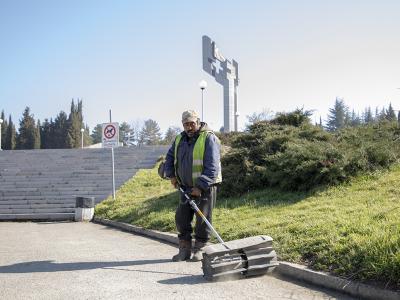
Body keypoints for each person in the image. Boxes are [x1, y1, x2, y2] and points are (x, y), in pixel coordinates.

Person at [164, 110, 222, 262]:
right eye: (186, 124)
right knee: (181, 219)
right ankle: (184, 249)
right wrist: (172, 176)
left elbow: (213, 166)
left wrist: (200, 186)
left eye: (192, 124)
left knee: (202, 219)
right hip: (185, 187)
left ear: (198, 122)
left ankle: (200, 249)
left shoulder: (209, 138)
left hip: (205, 187)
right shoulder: (179, 139)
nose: (189, 127)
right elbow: (169, 159)